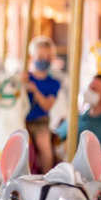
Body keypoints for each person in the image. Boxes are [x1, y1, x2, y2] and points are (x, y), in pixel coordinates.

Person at [23, 36, 60, 172]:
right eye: (40, 55)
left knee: (44, 146)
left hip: (39, 122)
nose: (43, 59)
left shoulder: (53, 83)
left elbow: (47, 106)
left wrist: (34, 90)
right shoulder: (24, 76)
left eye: (47, 56)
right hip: (21, 120)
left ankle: (46, 175)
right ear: (32, 56)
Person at [55, 74, 101, 148]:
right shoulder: (77, 118)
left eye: (93, 89)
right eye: (89, 88)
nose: (88, 92)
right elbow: (56, 138)